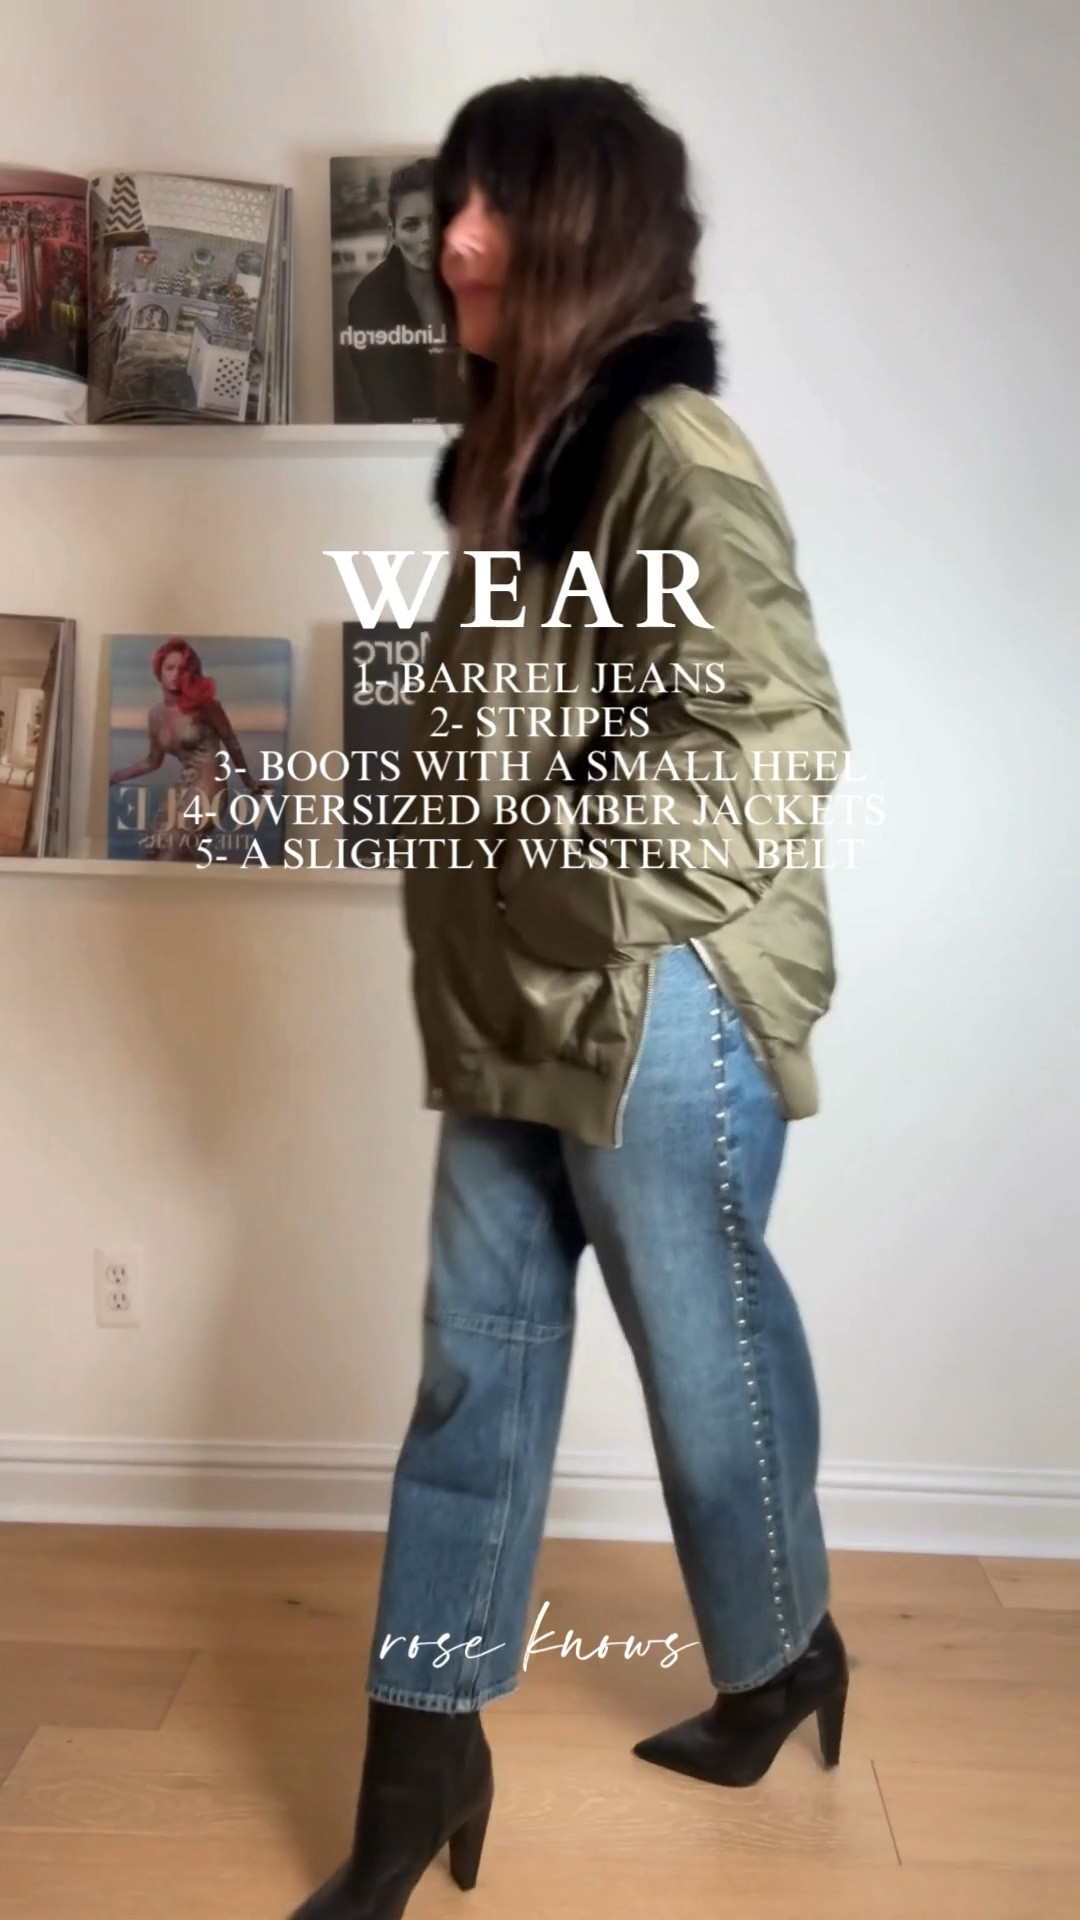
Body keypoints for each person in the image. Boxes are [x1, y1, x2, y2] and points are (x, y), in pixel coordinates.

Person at [290, 74, 852, 1920]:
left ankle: (782, 1659)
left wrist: (553, 888)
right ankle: (419, 1755)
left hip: (658, 1000)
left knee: (704, 1366)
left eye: (496, 206)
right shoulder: (521, 459)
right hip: (520, 1006)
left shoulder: (671, 448)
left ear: (589, 236)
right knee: (479, 1365)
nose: (451, 239)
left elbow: (775, 740)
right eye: (450, 200)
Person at [109, 638, 268, 860]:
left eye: (182, 669)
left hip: (210, 788)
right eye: (169, 668)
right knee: (151, 851)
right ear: (159, 671)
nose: (175, 674)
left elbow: (231, 743)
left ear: (190, 673)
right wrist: (114, 777)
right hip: (182, 786)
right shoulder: (155, 715)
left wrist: (248, 781)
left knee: (174, 851)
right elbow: (153, 761)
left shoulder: (207, 707)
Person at [342, 157, 462, 424]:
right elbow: (386, 405)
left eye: (436, 221)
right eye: (411, 225)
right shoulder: (369, 300)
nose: (426, 236)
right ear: (393, 233)